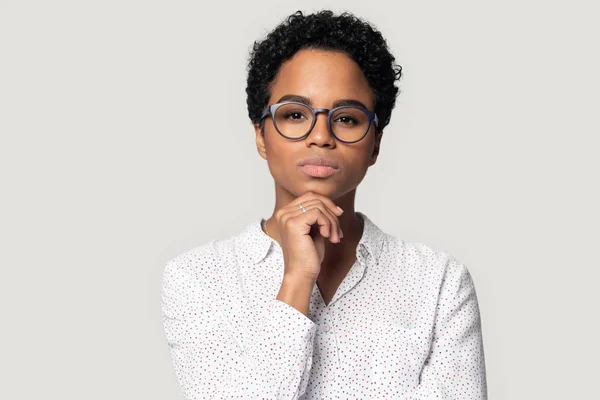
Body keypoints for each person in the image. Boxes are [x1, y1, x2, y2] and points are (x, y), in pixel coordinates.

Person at [161, 9, 487, 399]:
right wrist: (298, 279)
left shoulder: (439, 283)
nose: (320, 136)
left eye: (347, 118)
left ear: (375, 144)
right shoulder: (198, 279)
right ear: (261, 137)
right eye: (295, 114)